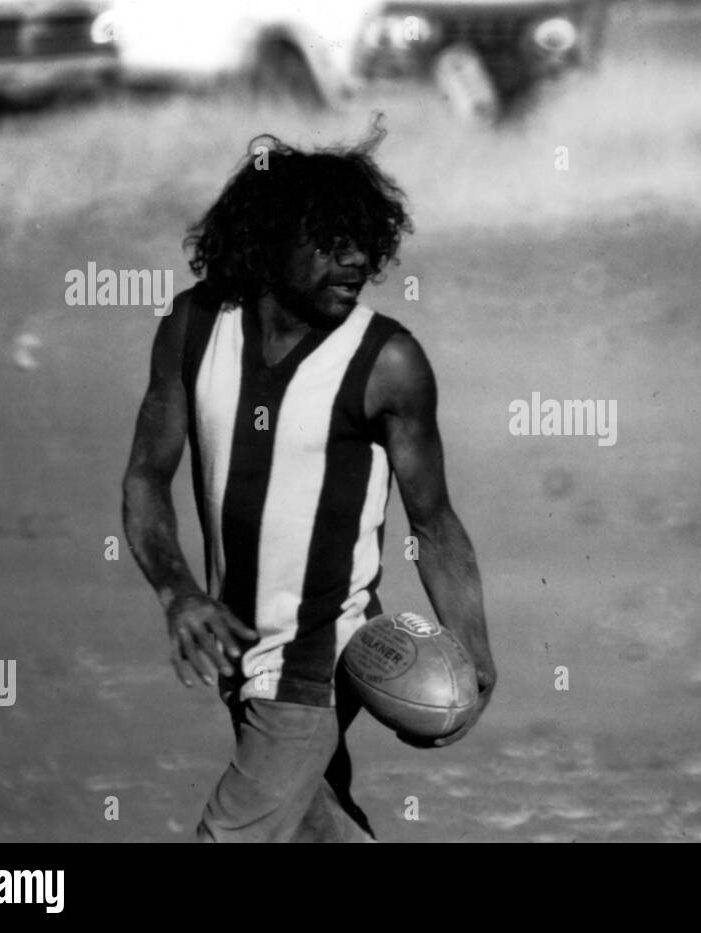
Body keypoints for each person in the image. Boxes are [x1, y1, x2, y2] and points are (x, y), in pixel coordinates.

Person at [121, 128, 495, 842]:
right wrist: (179, 591)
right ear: (270, 241)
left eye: (364, 241)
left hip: (318, 657)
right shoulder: (192, 329)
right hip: (241, 648)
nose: (356, 259)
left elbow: (435, 522)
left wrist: (474, 651)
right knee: (315, 831)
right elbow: (145, 476)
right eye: (331, 241)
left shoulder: (387, 362)